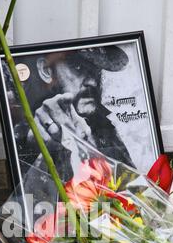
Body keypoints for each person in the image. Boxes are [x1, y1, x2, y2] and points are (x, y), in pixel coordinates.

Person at [8, 45, 135, 186]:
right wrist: (35, 151)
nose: (93, 81)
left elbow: (133, 189)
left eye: (96, 71)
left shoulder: (104, 125)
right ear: (46, 70)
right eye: (78, 68)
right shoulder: (25, 134)